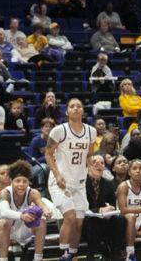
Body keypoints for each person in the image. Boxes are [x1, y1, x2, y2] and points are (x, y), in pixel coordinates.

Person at [45, 98, 96, 261]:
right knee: (70, 217)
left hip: (79, 182)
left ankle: (72, 255)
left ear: (83, 110)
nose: (76, 108)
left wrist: (91, 167)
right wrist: (57, 174)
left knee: (79, 223)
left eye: (79, 106)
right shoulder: (59, 130)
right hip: (60, 181)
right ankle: (63, 254)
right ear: (67, 111)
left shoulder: (91, 131)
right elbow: (48, 154)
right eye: (72, 106)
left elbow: (89, 154)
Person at [0, 159, 52, 261]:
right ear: (11, 181)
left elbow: (42, 205)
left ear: (28, 182)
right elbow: (4, 212)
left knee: (41, 221)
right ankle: (3, 259)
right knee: (5, 222)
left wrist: (47, 211)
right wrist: (21, 216)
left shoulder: (33, 193)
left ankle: (38, 258)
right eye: (17, 181)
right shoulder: (4, 193)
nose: (21, 184)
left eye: (24, 181)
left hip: (19, 227)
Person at [83, 155, 127, 258]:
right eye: (95, 162)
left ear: (104, 168)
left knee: (121, 219)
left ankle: (116, 252)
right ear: (88, 166)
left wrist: (111, 208)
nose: (99, 164)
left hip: (104, 218)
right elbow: (80, 208)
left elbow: (112, 204)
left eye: (102, 163)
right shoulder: (81, 183)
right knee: (93, 223)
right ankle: (92, 255)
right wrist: (98, 210)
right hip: (86, 219)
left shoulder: (108, 184)